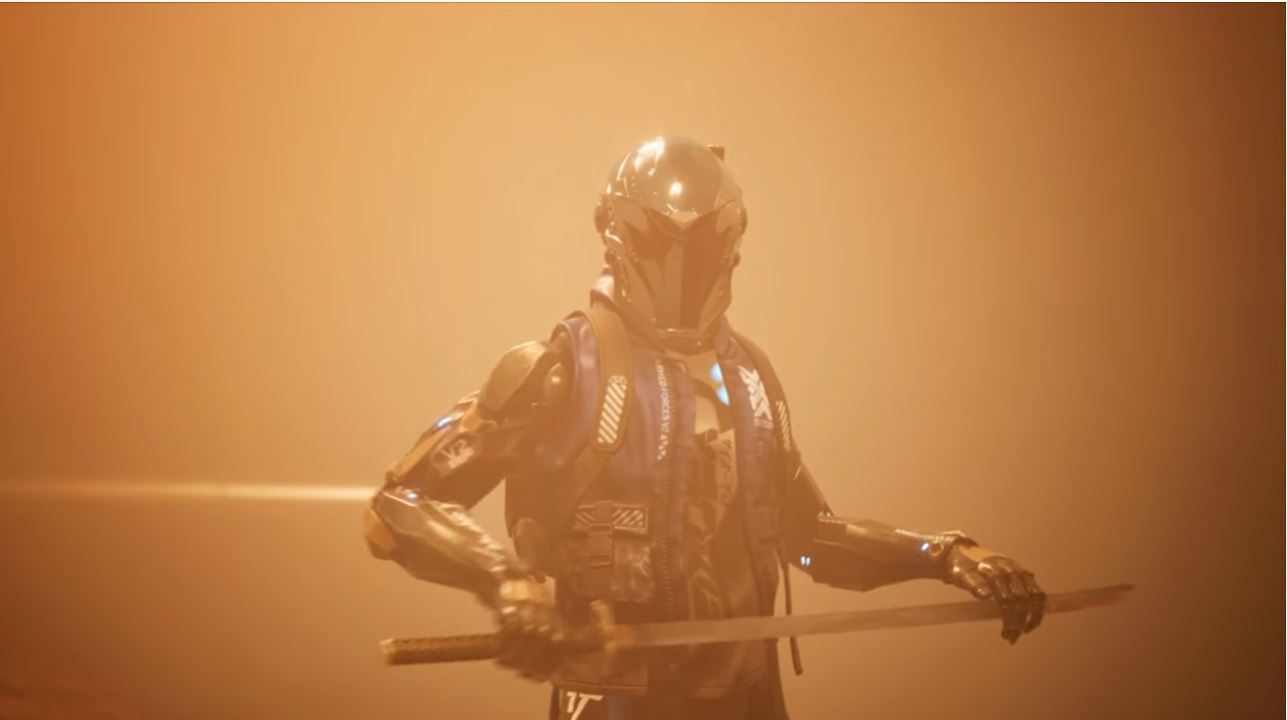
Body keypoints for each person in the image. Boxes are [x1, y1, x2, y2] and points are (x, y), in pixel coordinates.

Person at [363, 137, 1045, 720]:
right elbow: (397, 508)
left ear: (732, 241)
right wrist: (505, 582)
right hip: (616, 699)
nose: (682, 266)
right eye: (662, 240)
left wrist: (946, 556)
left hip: (748, 698)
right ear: (618, 234)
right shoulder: (560, 370)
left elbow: (807, 540)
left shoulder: (749, 380)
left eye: (706, 242)